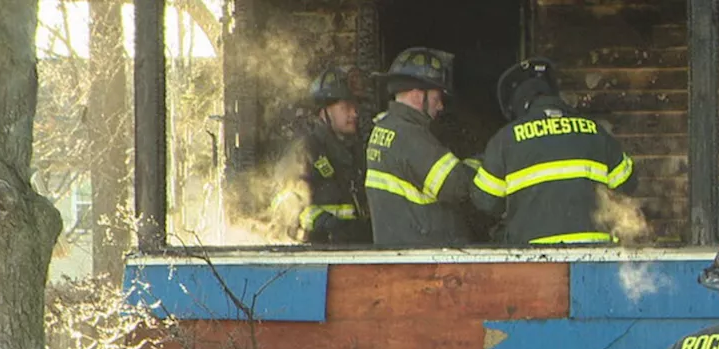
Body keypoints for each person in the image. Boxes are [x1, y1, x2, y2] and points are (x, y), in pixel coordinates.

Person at [471, 57, 637, 246]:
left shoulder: (506, 139)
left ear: (518, 104)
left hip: (533, 258)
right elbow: (627, 184)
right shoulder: (596, 132)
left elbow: (485, 200)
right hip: (595, 256)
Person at [366, 47, 477, 246]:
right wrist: (482, 163)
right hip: (421, 258)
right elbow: (456, 186)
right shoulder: (409, 135)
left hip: (401, 251)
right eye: (436, 98)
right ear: (418, 96)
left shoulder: (385, 126)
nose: (441, 106)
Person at [272, 67, 370, 245]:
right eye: (346, 107)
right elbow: (286, 205)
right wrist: (324, 223)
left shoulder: (357, 148)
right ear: (324, 110)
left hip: (352, 251)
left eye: (356, 106)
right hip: (317, 253)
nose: (354, 113)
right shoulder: (304, 151)